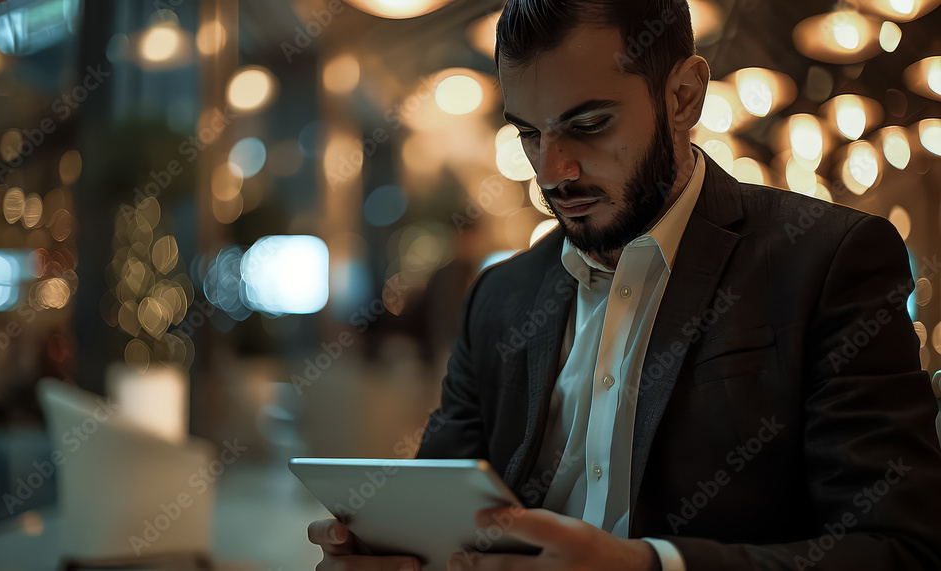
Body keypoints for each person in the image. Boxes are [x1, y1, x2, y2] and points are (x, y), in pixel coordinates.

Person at [308, 1, 941, 569]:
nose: (553, 172)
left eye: (588, 125)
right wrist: (398, 553)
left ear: (684, 97)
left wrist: (648, 567)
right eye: (529, 132)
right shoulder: (499, 298)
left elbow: (896, 547)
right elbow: (440, 513)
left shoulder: (826, 260)